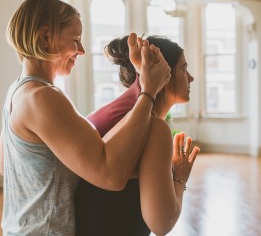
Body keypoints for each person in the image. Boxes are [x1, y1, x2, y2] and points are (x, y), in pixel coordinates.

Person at [0, 0, 171, 235]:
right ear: (45, 37)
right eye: (76, 40)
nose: (80, 51)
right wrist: (149, 91)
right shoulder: (42, 98)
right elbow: (111, 175)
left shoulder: (17, 91)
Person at [75, 35, 200, 236]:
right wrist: (180, 177)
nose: (191, 77)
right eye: (184, 69)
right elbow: (161, 223)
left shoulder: (116, 114)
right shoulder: (154, 128)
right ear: (165, 75)